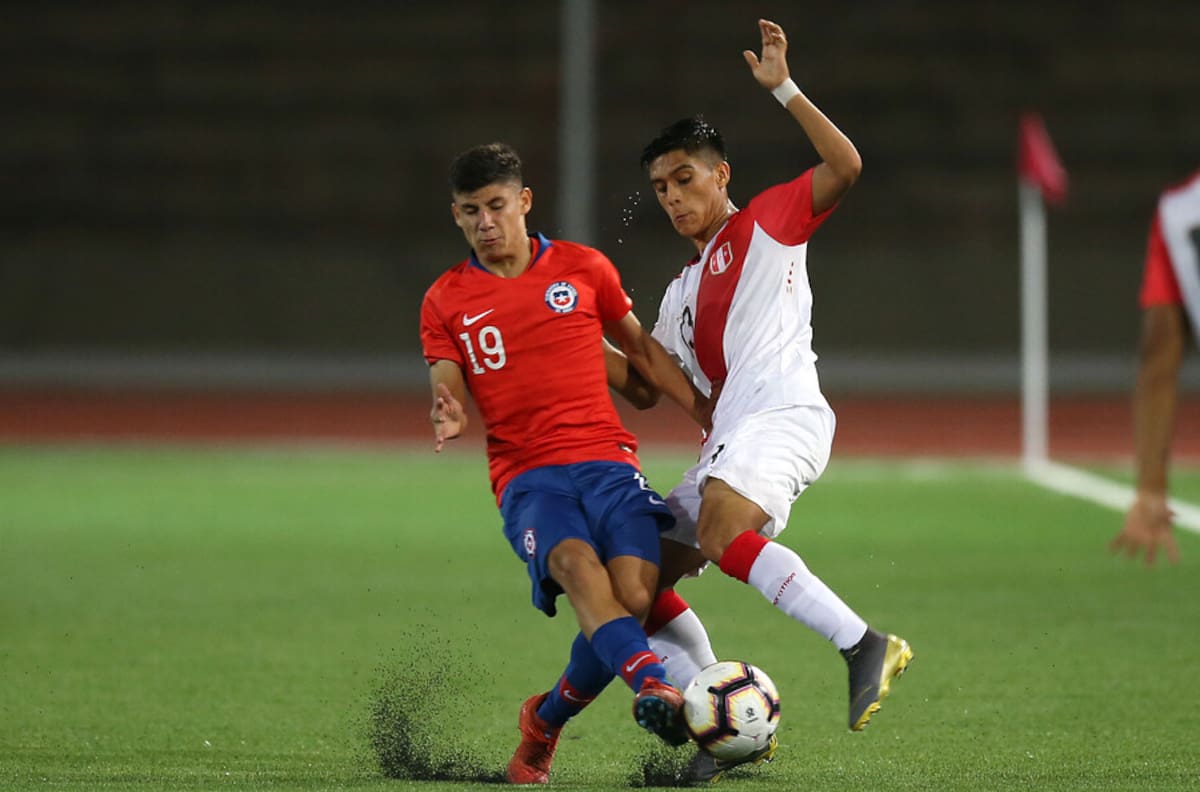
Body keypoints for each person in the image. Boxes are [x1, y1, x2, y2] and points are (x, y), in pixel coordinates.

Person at [606, 18, 914, 783]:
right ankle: (720, 729)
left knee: (720, 530)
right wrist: (572, 339)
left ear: (720, 175)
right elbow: (647, 384)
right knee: (632, 582)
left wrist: (783, 88)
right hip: (732, 438)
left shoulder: (768, 224)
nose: (674, 198)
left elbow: (844, 164)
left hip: (782, 415)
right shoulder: (679, 292)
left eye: (686, 179)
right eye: (661, 188)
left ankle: (863, 644)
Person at [420, 142, 711, 784]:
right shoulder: (445, 299)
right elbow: (448, 378)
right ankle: (654, 684)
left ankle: (543, 720)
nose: (486, 222)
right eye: (471, 211)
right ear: (457, 216)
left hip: (608, 463)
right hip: (529, 478)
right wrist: (449, 409)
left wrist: (706, 413)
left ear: (523, 202)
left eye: (496, 206)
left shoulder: (583, 270)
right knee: (577, 570)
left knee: (633, 597)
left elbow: (641, 364)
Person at [1109, 169, 1200, 566]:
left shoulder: (1182, 213)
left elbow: (1158, 355)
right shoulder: (1179, 215)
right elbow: (1159, 352)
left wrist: (1150, 488)